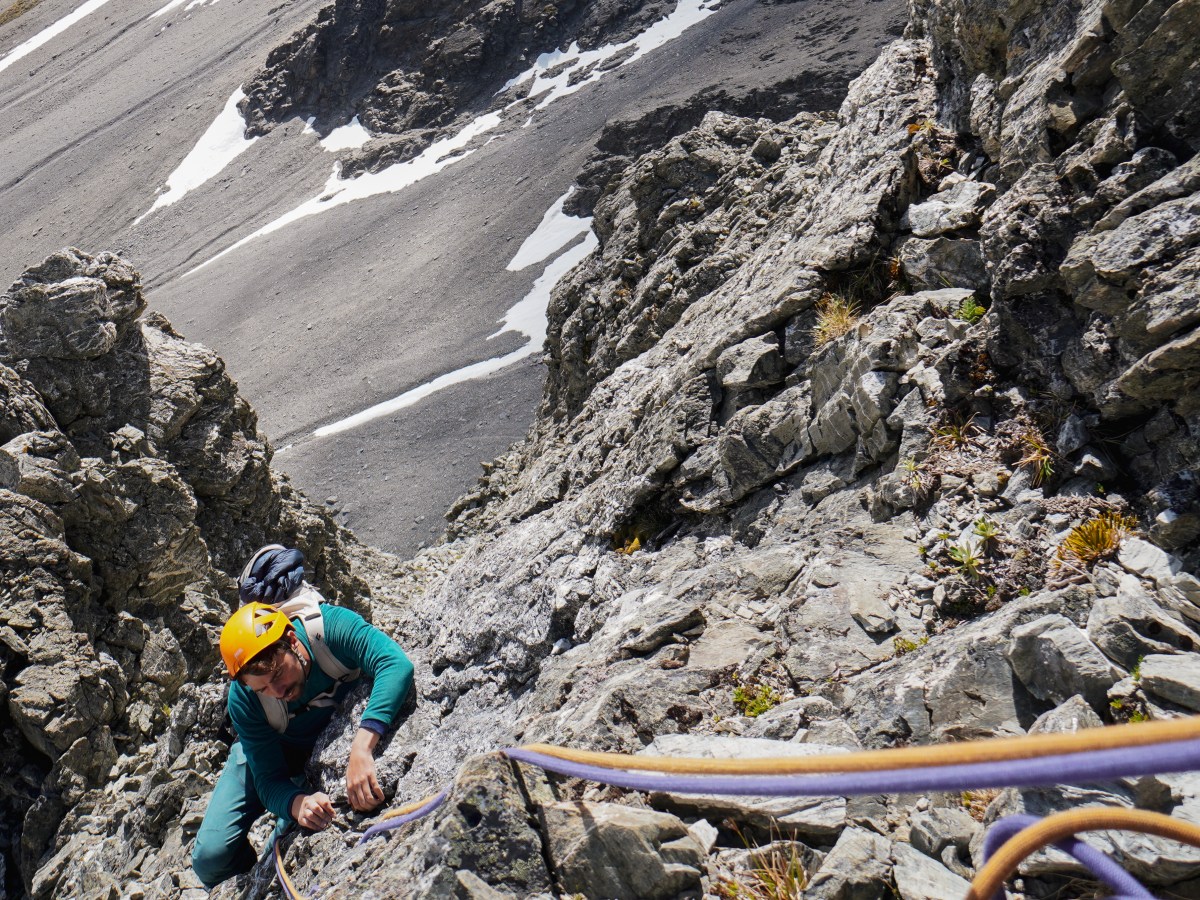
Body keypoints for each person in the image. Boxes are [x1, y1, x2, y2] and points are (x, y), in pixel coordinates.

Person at [191, 545, 414, 889]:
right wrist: (296, 804)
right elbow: (266, 779)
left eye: (278, 675)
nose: (277, 691)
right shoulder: (245, 699)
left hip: (311, 748)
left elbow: (393, 663)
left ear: (292, 641)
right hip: (271, 750)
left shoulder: (329, 628)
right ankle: (249, 877)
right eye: (263, 688)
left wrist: (363, 746)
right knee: (209, 857)